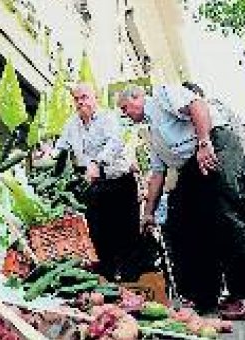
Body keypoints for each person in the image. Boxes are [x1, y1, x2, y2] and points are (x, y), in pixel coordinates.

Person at [118, 84, 245, 319]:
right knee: (183, 224)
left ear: (137, 97)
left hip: (214, 143)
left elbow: (198, 105)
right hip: (189, 165)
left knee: (226, 216)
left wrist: (205, 143)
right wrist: (148, 213)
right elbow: (157, 174)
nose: (125, 114)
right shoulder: (152, 132)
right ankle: (203, 297)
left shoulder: (163, 95)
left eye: (125, 108)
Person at [55, 83, 140, 282]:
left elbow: (115, 143)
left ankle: (132, 282)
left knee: (126, 232)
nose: (80, 102)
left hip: (119, 181)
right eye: (76, 99)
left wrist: (97, 162)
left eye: (84, 97)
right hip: (95, 185)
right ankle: (106, 281)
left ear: (95, 98)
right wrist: (49, 156)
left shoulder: (108, 118)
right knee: (98, 233)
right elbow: (61, 148)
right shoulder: (71, 124)